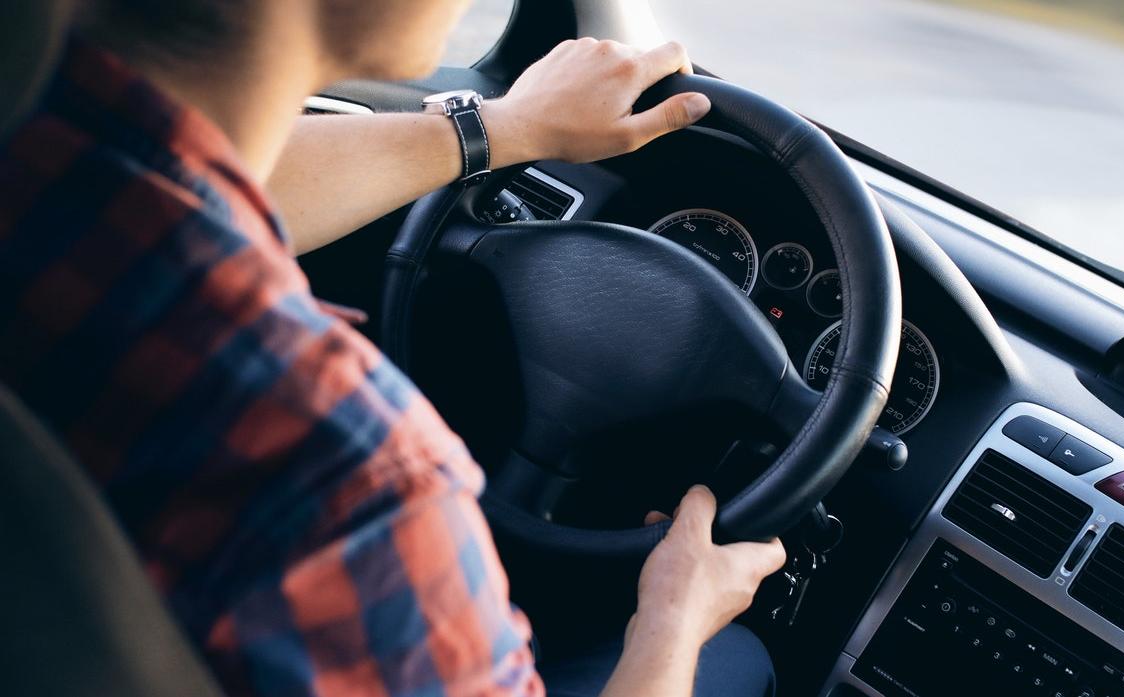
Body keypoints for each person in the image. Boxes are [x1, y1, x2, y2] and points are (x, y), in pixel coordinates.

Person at [0, 1, 788, 696]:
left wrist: (506, 127)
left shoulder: (39, 150)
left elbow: (199, 183)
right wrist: (673, 618)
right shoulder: (350, 479)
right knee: (734, 657)